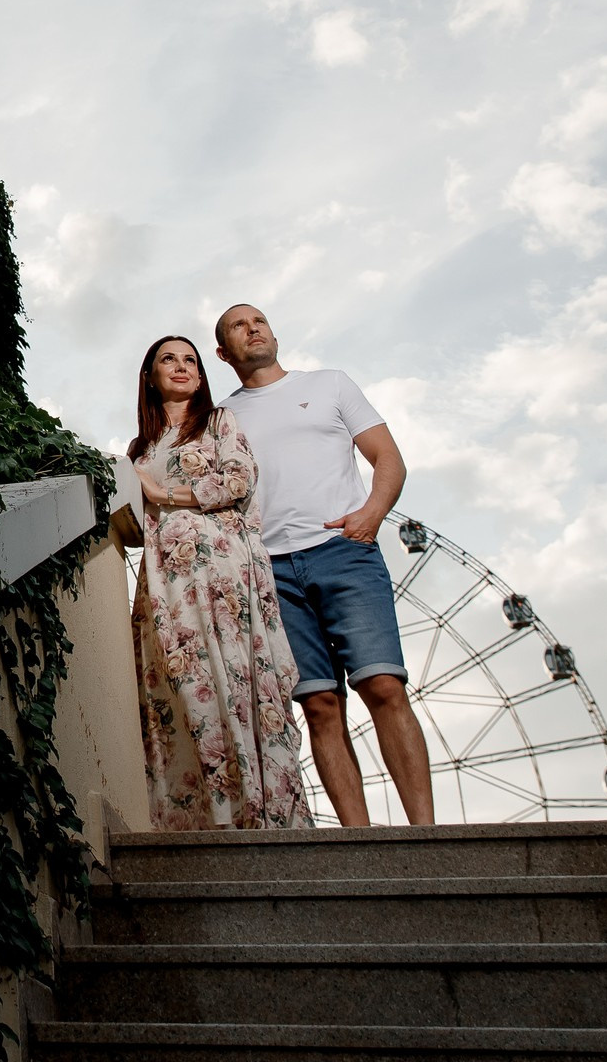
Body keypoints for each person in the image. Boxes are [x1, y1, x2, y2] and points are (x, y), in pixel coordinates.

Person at [214, 303, 433, 827]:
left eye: (259, 320)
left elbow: (388, 457)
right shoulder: (221, 417)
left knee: (383, 685)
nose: (254, 328)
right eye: (238, 327)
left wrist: (372, 514)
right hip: (271, 570)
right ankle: (357, 842)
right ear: (224, 353)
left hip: (344, 552)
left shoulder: (332, 384)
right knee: (319, 706)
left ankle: (429, 833)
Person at [116, 334, 312, 830]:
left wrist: (165, 492)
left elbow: (240, 478)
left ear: (202, 376)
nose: (181, 367)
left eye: (190, 360)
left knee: (235, 677)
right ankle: (202, 817)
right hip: (167, 581)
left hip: (225, 572)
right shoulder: (139, 448)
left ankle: (257, 812)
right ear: (150, 375)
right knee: (185, 687)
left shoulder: (221, 422)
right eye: (168, 359)